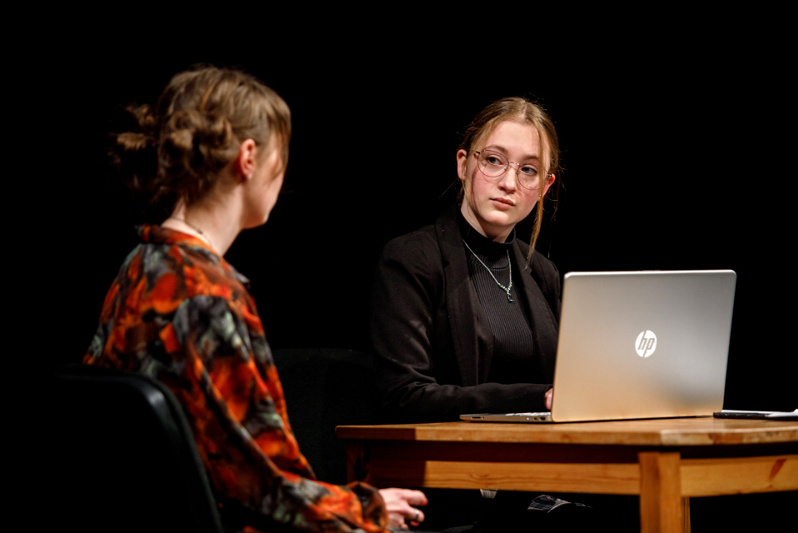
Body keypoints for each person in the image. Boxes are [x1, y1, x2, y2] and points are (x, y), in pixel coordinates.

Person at [84, 66, 427, 533]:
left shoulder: (138, 265)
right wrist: (367, 509)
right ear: (248, 157)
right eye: (281, 154)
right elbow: (259, 488)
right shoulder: (210, 295)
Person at [370, 97, 561, 424]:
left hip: (541, 450)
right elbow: (404, 394)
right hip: (447, 450)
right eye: (493, 160)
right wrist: (536, 397)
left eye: (528, 170)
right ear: (463, 165)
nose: (509, 183)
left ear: (545, 186)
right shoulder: (412, 259)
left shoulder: (543, 273)